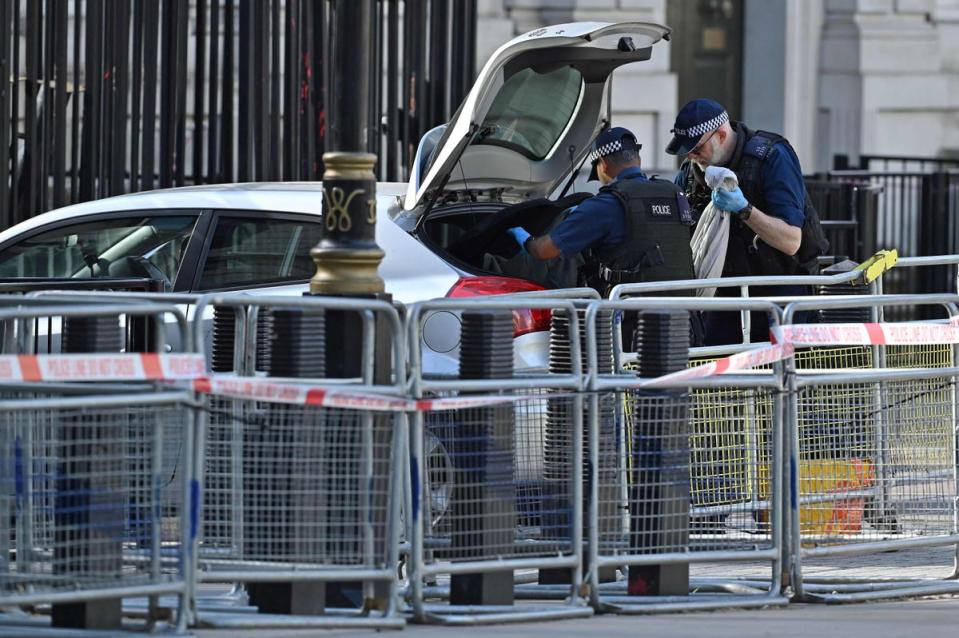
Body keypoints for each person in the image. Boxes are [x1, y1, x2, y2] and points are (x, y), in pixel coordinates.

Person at [667, 99, 828, 345]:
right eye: (687, 151)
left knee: (778, 380)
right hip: (723, 297)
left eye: (697, 149)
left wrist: (745, 210)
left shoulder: (772, 158)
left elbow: (792, 241)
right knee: (716, 378)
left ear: (720, 135)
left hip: (779, 293)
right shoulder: (691, 172)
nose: (691, 156)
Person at [507, 126, 695, 298]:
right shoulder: (674, 193)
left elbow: (543, 251)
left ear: (603, 164)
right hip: (685, 319)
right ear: (638, 159)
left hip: (634, 324)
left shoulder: (606, 204)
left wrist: (522, 236)